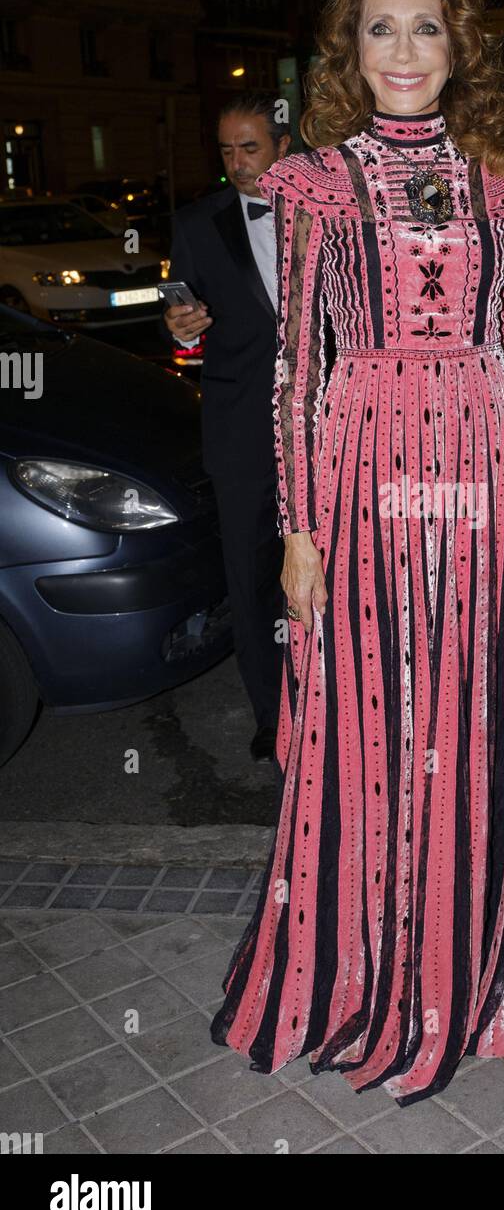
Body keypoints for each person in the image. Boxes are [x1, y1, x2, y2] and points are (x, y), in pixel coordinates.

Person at [209, 0, 504, 1107]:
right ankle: (365, 968)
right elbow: (292, 367)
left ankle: (477, 962)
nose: (404, 49)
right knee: (368, 720)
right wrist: (298, 530)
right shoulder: (313, 181)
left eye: (425, 26)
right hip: (363, 465)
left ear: (458, 45)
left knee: (479, 712)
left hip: (486, 467)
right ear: (349, 50)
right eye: (380, 27)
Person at [163, 95, 291, 762]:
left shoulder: (327, 216)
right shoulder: (197, 223)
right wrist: (181, 328)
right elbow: (180, 311)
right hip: (241, 432)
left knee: (337, 574)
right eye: (227, 151)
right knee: (250, 581)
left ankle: (340, 703)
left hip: (325, 431)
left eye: (250, 148)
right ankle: (274, 717)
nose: (238, 164)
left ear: (282, 145)